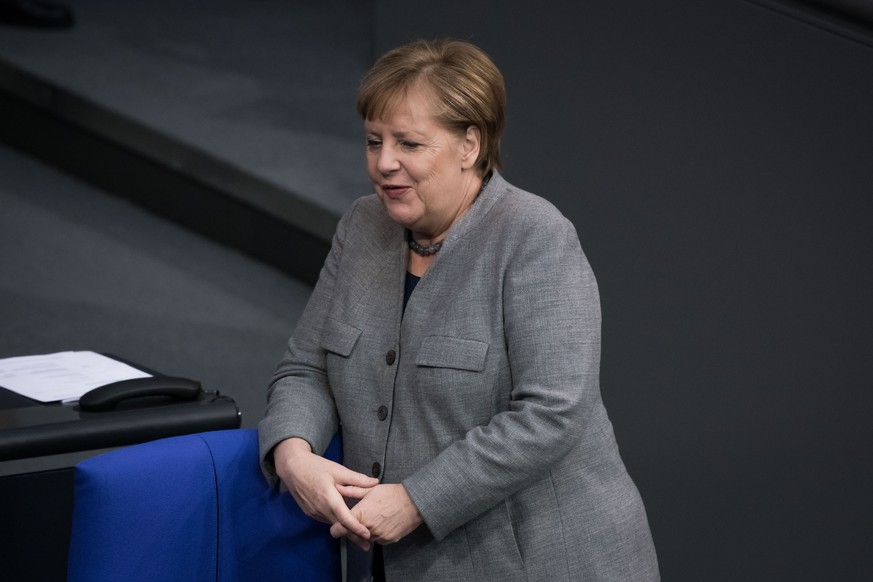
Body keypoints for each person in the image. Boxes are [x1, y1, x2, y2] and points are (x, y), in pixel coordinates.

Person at [258, 38, 660, 581]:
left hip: (533, 563)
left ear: (470, 144)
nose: (384, 163)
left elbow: (552, 413)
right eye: (374, 141)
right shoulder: (362, 226)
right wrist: (292, 454)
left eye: (410, 144)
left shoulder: (535, 237)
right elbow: (307, 368)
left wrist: (418, 500)